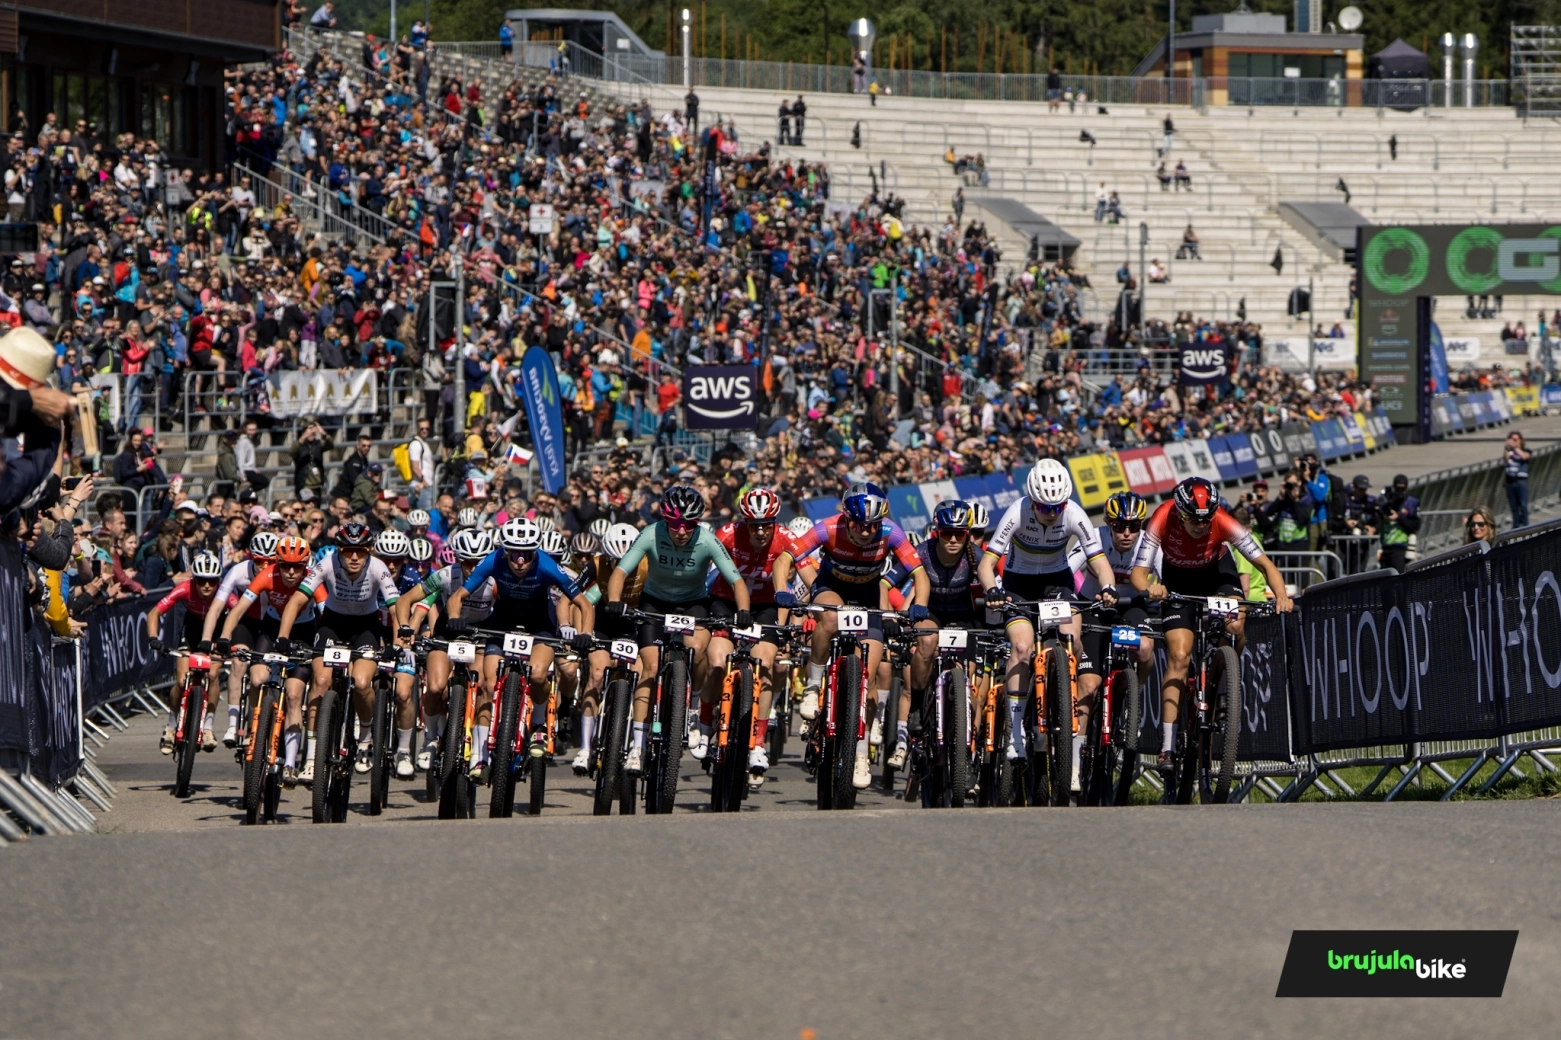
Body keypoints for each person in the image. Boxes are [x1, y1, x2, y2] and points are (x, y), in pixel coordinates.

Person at [1130, 477, 1291, 771]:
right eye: (1194, 520)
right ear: (1180, 513)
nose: (1201, 526)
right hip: (1177, 579)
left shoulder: (1224, 521)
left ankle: (1224, 674)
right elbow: (1139, 573)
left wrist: (1281, 596)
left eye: (1206, 520)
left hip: (1217, 574)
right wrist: (1149, 588)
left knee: (1235, 625)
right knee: (1179, 656)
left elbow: (1265, 565)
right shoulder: (1162, 517)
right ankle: (1166, 746)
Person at [774, 482, 926, 790]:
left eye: (873, 525)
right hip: (831, 588)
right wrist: (781, 590)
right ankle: (814, 684)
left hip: (868, 596)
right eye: (859, 524)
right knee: (830, 618)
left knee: (868, 678)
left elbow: (919, 575)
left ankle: (860, 754)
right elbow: (785, 559)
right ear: (846, 517)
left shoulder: (892, 533)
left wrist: (920, 604)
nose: (867, 531)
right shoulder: (827, 528)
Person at [978, 460, 1117, 780]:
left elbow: (1099, 561)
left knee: (1073, 637)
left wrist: (1108, 585)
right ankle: (1015, 732)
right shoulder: (1016, 512)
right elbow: (987, 565)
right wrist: (992, 591)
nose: (1052, 513)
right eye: (1044, 506)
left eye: (1058, 506)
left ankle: (1061, 701)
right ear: (1032, 500)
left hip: (1058, 584)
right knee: (1023, 647)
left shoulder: (1074, 514)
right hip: (1018, 585)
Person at [602, 486, 747, 778]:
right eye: (676, 524)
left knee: (698, 648)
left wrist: (743, 611)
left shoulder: (706, 539)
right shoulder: (651, 534)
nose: (682, 531)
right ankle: (638, 746)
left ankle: (693, 709)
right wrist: (614, 602)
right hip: (655, 603)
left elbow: (736, 580)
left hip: (693, 604)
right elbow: (620, 572)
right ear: (665, 520)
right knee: (650, 668)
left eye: (689, 525)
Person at [444, 518, 595, 779]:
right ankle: (479, 757)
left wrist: (585, 634)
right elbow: (458, 597)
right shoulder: (493, 560)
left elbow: (585, 605)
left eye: (527, 554)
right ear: (505, 551)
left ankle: (538, 724)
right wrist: (455, 619)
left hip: (540, 624)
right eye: (514, 554)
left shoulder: (547, 565)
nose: (521, 561)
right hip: (502, 621)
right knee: (487, 685)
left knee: (537, 674)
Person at [275, 521, 401, 787]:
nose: (354, 557)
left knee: (362, 683)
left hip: (365, 627)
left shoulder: (378, 568)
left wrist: (398, 641)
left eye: (361, 551)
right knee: (320, 683)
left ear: (369, 551)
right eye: (347, 551)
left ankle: (365, 737)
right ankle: (311, 758)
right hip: (333, 624)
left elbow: (395, 607)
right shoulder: (327, 564)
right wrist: (283, 637)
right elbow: (297, 600)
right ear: (339, 550)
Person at [701, 488, 805, 784]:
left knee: (766, 665)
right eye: (754, 524)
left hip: (766, 606)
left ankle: (757, 742)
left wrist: (797, 616)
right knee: (718, 662)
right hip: (726, 600)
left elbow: (806, 574)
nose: (760, 531)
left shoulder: (786, 539)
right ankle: (705, 721)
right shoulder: (728, 534)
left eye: (766, 524)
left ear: (775, 521)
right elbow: (705, 570)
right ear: (743, 521)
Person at [216, 536, 317, 787]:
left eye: (297, 567)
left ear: (306, 565)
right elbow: (238, 609)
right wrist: (224, 637)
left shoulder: (314, 577)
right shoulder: (267, 575)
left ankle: (292, 764)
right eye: (285, 566)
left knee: (294, 695)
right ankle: (255, 728)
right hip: (272, 629)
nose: (291, 572)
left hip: (303, 632)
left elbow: (327, 613)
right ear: (277, 563)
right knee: (258, 678)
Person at [392, 528, 496, 771]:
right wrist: (406, 628)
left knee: (482, 686)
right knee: (437, 687)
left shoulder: (495, 579)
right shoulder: (445, 576)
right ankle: (430, 738)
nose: (472, 568)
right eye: (467, 562)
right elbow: (404, 600)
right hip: (447, 631)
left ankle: (479, 748)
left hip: (481, 633)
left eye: (477, 562)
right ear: (459, 560)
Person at [146, 552, 225, 754]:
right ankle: (171, 726)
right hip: (190, 634)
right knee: (182, 682)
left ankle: (207, 728)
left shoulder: (225, 593)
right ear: (194, 580)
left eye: (212, 581)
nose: (206, 586)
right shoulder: (184, 589)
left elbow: (242, 615)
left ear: (218, 581)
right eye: (201, 581)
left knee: (213, 675)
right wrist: (154, 638)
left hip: (216, 636)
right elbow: (154, 612)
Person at [1375, 474, 1419, 573]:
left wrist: (1399, 518)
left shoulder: (1411, 503)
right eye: (1397, 488)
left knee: (1399, 576)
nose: (1400, 492)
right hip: (1385, 547)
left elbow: (1416, 525)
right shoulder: (1386, 500)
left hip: (1400, 548)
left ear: (1406, 488)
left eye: (1402, 489)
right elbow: (1377, 516)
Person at [1504, 430, 1532, 528]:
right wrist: (1507, 448)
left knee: (1523, 505)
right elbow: (1506, 459)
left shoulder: (1526, 450)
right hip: (1510, 482)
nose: (1513, 441)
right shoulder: (1509, 452)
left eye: (1515, 439)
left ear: (1520, 440)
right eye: (1511, 439)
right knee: (1514, 507)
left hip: (1521, 482)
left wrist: (1516, 448)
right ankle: (1515, 526)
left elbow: (1525, 457)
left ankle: (1526, 525)